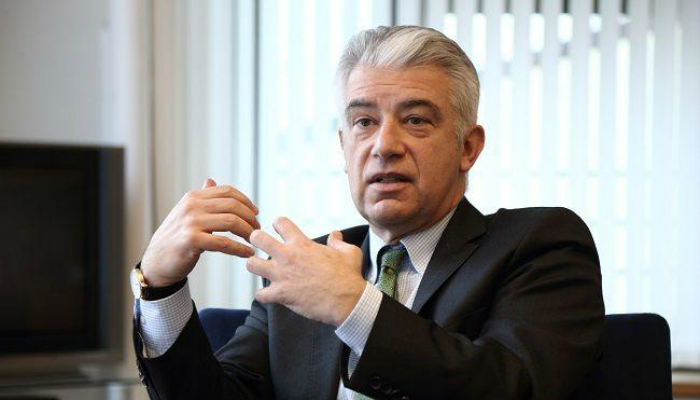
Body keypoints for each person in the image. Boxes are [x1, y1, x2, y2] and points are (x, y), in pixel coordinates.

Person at [130, 26, 604, 400]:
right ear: (344, 146)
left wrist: (354, 308)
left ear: (468, 147)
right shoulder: (301, 271)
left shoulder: (540, 244)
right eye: (364, 122)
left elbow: (512, 386)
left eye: (415, 120)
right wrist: (160, 289)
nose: (384, 145)